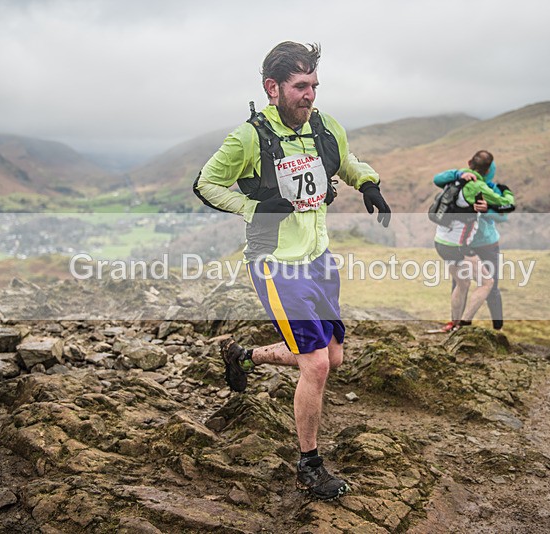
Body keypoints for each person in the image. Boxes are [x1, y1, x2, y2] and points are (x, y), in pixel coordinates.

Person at [193, 41, 391, 501]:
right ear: (272, 87)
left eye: (314, 85)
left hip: (319, 257)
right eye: (300, 86)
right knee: (316, 365)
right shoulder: (249, 138)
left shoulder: (324, 126)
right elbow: (206, 184)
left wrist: (368, 183)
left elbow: (345, 161)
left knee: (333, 358)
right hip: (276, 263)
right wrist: (253, 207)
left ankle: (245, 356)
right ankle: (309, 465)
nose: (310, 95)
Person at [431, 150, 514, 332]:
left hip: (451, 243)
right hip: (462, 245)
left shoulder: (457, 181)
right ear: (488, 171)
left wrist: (487, 209)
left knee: (468, 284)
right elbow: (507, 205)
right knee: (484, 283)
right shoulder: (473, 184)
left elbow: (502, 216)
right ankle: (463, 324)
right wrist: (506, 193)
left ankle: (479, 327)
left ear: (470, 163)